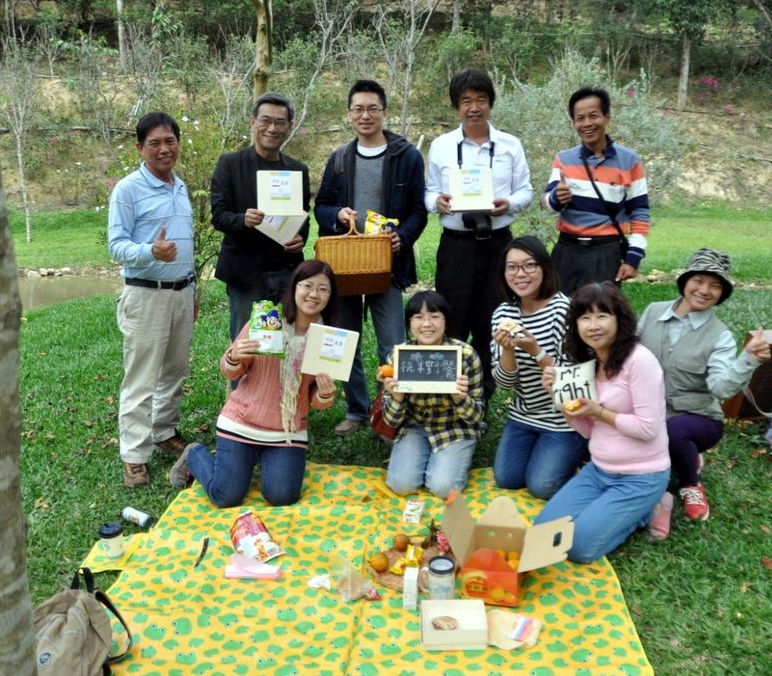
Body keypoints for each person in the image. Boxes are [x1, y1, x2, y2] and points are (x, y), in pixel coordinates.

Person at [169, 260, 339, 507]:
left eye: (323, 289)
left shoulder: (329, 340)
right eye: (308, 286)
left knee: (282, 496)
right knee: (226, 496)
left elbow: (317, 402)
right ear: (294, 288)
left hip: (287, 430)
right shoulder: (267, 322)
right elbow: (230, 372)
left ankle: (259, 460)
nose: (314, 294)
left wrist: (324, 395)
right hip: (242, 422)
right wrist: (234, 356)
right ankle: (194, 453)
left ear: (330, 296)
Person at [314, 79, 427, 437]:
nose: (365, 115)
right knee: (345, 340)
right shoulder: (340, 159)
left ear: (384, 112)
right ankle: (357, 409)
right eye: (358, 109)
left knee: (391, 342)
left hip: (386, 266)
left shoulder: (406, 156)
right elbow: (321, 207)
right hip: (346, 265)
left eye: (372, 108)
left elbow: (417, 211)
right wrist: (338, 216)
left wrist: (402, 237)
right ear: (349, 115)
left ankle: (390, 412)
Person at [535, 282, 669, 562]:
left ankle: (651, 508)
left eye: (602, 316)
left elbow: (648, 429)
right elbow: (587, 431)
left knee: (579, 548)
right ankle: (612, 511)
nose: (593, 325)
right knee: (544, 532)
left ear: (619, 319)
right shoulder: (589, 366)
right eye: (585, 318)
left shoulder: (640, 361)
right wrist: (562, 400)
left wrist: (599, 412)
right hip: (599, 471)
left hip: (640, 477)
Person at [637, 248, 771, 529]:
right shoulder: (652, 312)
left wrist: (748, 360)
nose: (705, 290)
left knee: (674, 433)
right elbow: (629, 355)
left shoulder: (719, 335)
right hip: (646, 410)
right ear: (685, 281)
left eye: (715, 285)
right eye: (698, 280)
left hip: (696, 418)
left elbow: (721, 388)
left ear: (722, 294)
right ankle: (682, 456)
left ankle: (690, 483)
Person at [425, 67, 533, 406]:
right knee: (453, 317)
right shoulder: (441, 146)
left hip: (498, 246)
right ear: (456, 107)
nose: (474, 107)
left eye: (481, 100)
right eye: (466, 101)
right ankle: (447, 395)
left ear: (491, 103)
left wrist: (509, 204)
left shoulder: (510, 145)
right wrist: (437, 202)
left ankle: (481, 398)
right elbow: (429, 191)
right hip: (456, 246)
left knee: (492, 319)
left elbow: (526, 190)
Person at [107, 112, 195, 488]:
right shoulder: (128, 189)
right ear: (140, 148)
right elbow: (116, 246)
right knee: (141, 379)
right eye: (155, 143)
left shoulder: (180, 186)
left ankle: (163, 431)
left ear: (177, 143)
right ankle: (134, 455)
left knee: (174, 371)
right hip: (145, 295)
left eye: (170, 141)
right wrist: (149, 252)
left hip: (181, 293)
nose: (164, 148)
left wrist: (191, 291)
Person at [211, 92, 310, 343]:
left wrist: (300, 238)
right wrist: (243, 219)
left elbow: (303, 218)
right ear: (252, 122)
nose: (272, 128)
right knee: (246, 346)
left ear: (288, 127)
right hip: (246, 274)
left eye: (280, 122)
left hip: (286, 271)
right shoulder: (231, 164)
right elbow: (219, 216)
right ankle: (241, 385)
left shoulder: (297, 170)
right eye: (265, 120)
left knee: (286, 343)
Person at [490, 236, 584, 499]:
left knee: (541, 486)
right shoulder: (502, 314)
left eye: (530, 265)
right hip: (523, 415)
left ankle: (584, 459)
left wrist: (536, 351)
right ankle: (545, 453)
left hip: (563, 418)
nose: (521, 274)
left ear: (545, 268)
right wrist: (508, 349)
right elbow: (504, 384)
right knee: (507, 479)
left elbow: (571, 381)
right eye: (512, 267)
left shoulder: (563, 310)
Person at [542, 87, 651, 295]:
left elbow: (640, 213)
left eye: (593, 116)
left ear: (607, 117)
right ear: (574, 123)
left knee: (598, 316)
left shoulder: (630, 161)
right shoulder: (564, 159)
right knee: (558, 313)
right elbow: (547, 204)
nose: (586, 124)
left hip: (605, 253)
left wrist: (633, 257)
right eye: (579, 118)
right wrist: (556, 198)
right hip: (566, 250)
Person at [381, 291, 485, 499]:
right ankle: (424, 457)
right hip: (415, 425)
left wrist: (460, 398)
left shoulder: (465, 356)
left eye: (435, 316)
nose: (426, 324)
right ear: (409, 323)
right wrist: (397, 397)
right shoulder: (399, 357)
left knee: (443, 488)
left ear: (446, 321)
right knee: (401, 485)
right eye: (418, 317)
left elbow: (477, 417)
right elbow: (390, 421)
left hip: (455, 427)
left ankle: (452, 458)